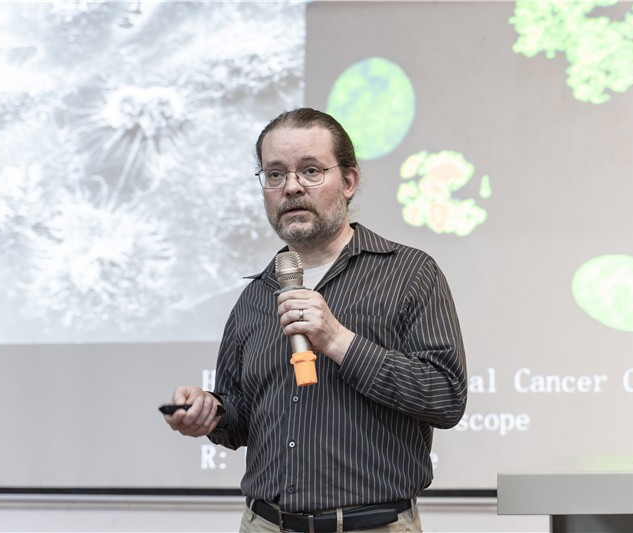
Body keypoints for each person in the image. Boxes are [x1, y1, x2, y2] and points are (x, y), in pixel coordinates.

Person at [164, 108, 467, 533]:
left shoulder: (410, 273)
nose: (291, 187)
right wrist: (208, 411)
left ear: (348, 182)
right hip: (266, 524)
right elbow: (241, 419)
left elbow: (447, 398)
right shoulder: (256, 295)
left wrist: (339, 341)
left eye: (310, 171)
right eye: (275, 174)